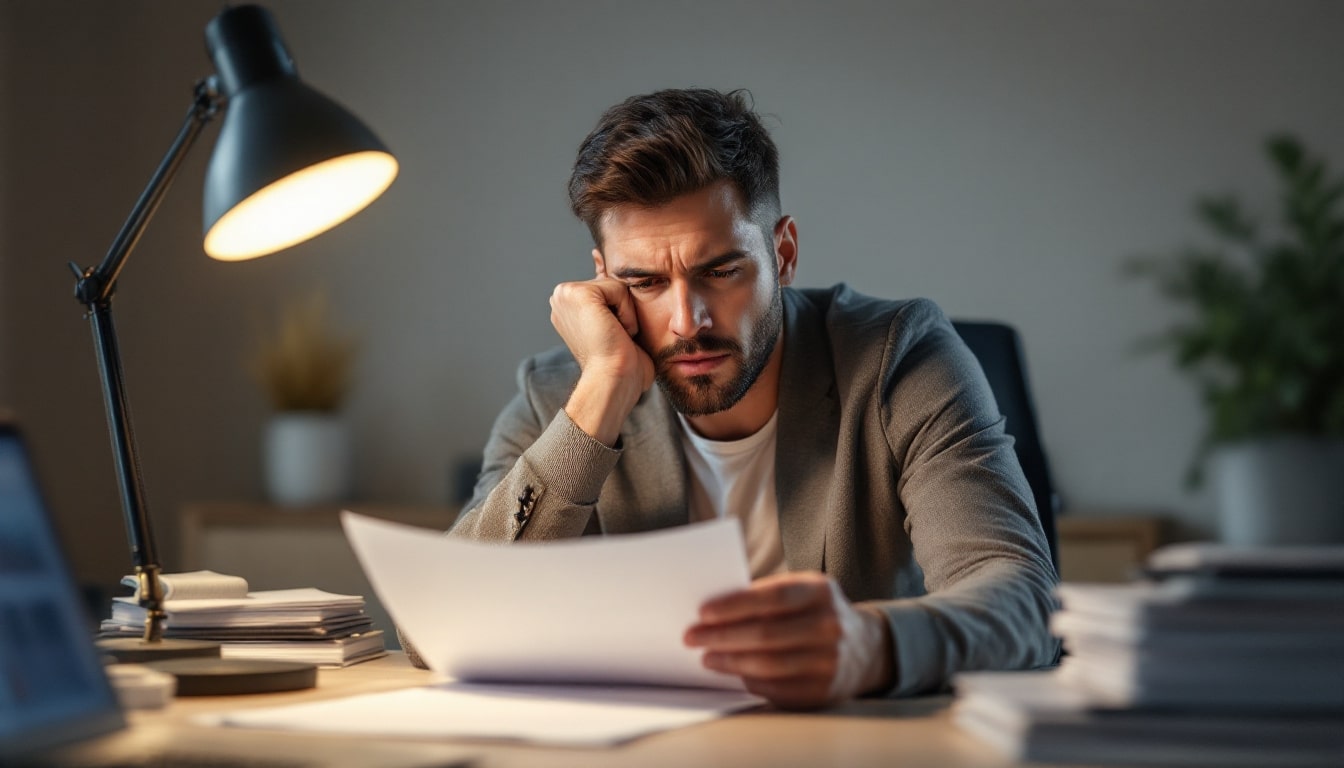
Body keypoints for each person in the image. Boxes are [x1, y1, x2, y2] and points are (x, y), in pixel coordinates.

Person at [433, 88, 1058, 708]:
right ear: (603, 281)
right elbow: (440, 626)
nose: (687, 321)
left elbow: (1023, 604)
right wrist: (601, 394)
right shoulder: (558, 396)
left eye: (721, 271)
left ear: (782, 253)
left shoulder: (900, 358)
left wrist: (871, 645)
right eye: (645, 283)